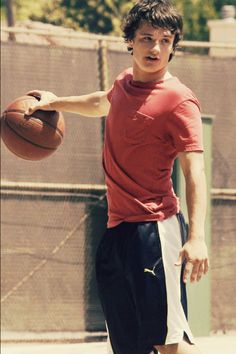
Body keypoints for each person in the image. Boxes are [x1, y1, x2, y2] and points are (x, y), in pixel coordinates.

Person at [26, 1, 209, 353]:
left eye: (165, 40)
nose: (156, 48)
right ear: (130, 41)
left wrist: (197, 237)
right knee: (127, 346)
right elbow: (102, 102)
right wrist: (55, 102)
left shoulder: (179, 100)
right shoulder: (124, 82)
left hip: (155, 230)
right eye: (146, 38)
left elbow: (194, 171)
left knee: (170, 343)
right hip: (117, 231)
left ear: (174, 45)